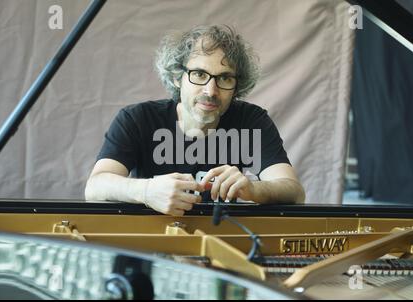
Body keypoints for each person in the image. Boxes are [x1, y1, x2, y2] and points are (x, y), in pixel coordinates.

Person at [85, 25, 305, 216]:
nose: (211, 90)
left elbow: (294, 192)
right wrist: (146, 191)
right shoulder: (137, 119)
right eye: (199, 74)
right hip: (151, 239)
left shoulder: (251, 120)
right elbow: (95, 187)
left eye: (225, 78)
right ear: (176, 77)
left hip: (223, 240)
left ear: (237, 86)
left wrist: (253, 190)